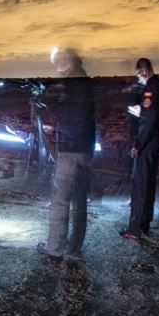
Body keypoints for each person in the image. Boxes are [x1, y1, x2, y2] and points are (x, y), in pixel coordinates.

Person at [37, 47, 96, 261]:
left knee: (60, 198)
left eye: (59, 59)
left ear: (68, 59)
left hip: (71, 148)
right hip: (85, 146)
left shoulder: (72, 82)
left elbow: (70, 112)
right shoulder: (86, 81)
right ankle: (74, 247)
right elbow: (81, 114)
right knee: (79, 200)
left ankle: (54, 248)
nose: (57, 64)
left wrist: (47, 104)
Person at [120, 58, 159, 239]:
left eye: (139, 73)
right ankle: (145, 223)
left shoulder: (149, 88)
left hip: (147, 142)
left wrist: (137, 145)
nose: (138, 77)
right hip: (155, 140)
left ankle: (134, 229)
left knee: (139, 185)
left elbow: (148, 119)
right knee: (149, 184)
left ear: (144, 70)